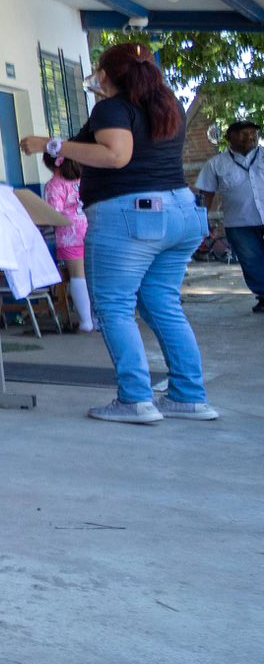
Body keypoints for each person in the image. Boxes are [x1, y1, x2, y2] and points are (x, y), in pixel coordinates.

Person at [21, 43, 214, 422]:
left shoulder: (113, 109)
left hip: (131, 216)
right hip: (181, 211)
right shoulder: (168, 106)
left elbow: (116, 155)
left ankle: (135, 399)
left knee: (113, 307)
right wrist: (102, 101)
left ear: (106, 73)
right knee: (162, 303)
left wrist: (50, 144)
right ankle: (189, 396)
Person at [194, 118, 262, 314]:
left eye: (253, 133)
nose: (250, 136)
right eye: (243, 133)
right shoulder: (215, 164)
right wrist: (201, 222)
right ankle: (263, 296)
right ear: (229, 137)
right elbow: (206, 194)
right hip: (239, 223)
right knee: (251, 262)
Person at [41, 150, 96, 332]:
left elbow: (53, 213)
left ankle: (86, 321)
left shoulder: (54, 185)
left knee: (77, 276)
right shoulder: (83, 180)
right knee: (94, 276)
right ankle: (98, 318)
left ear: (50, 163)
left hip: (69, 234)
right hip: (91, 228)